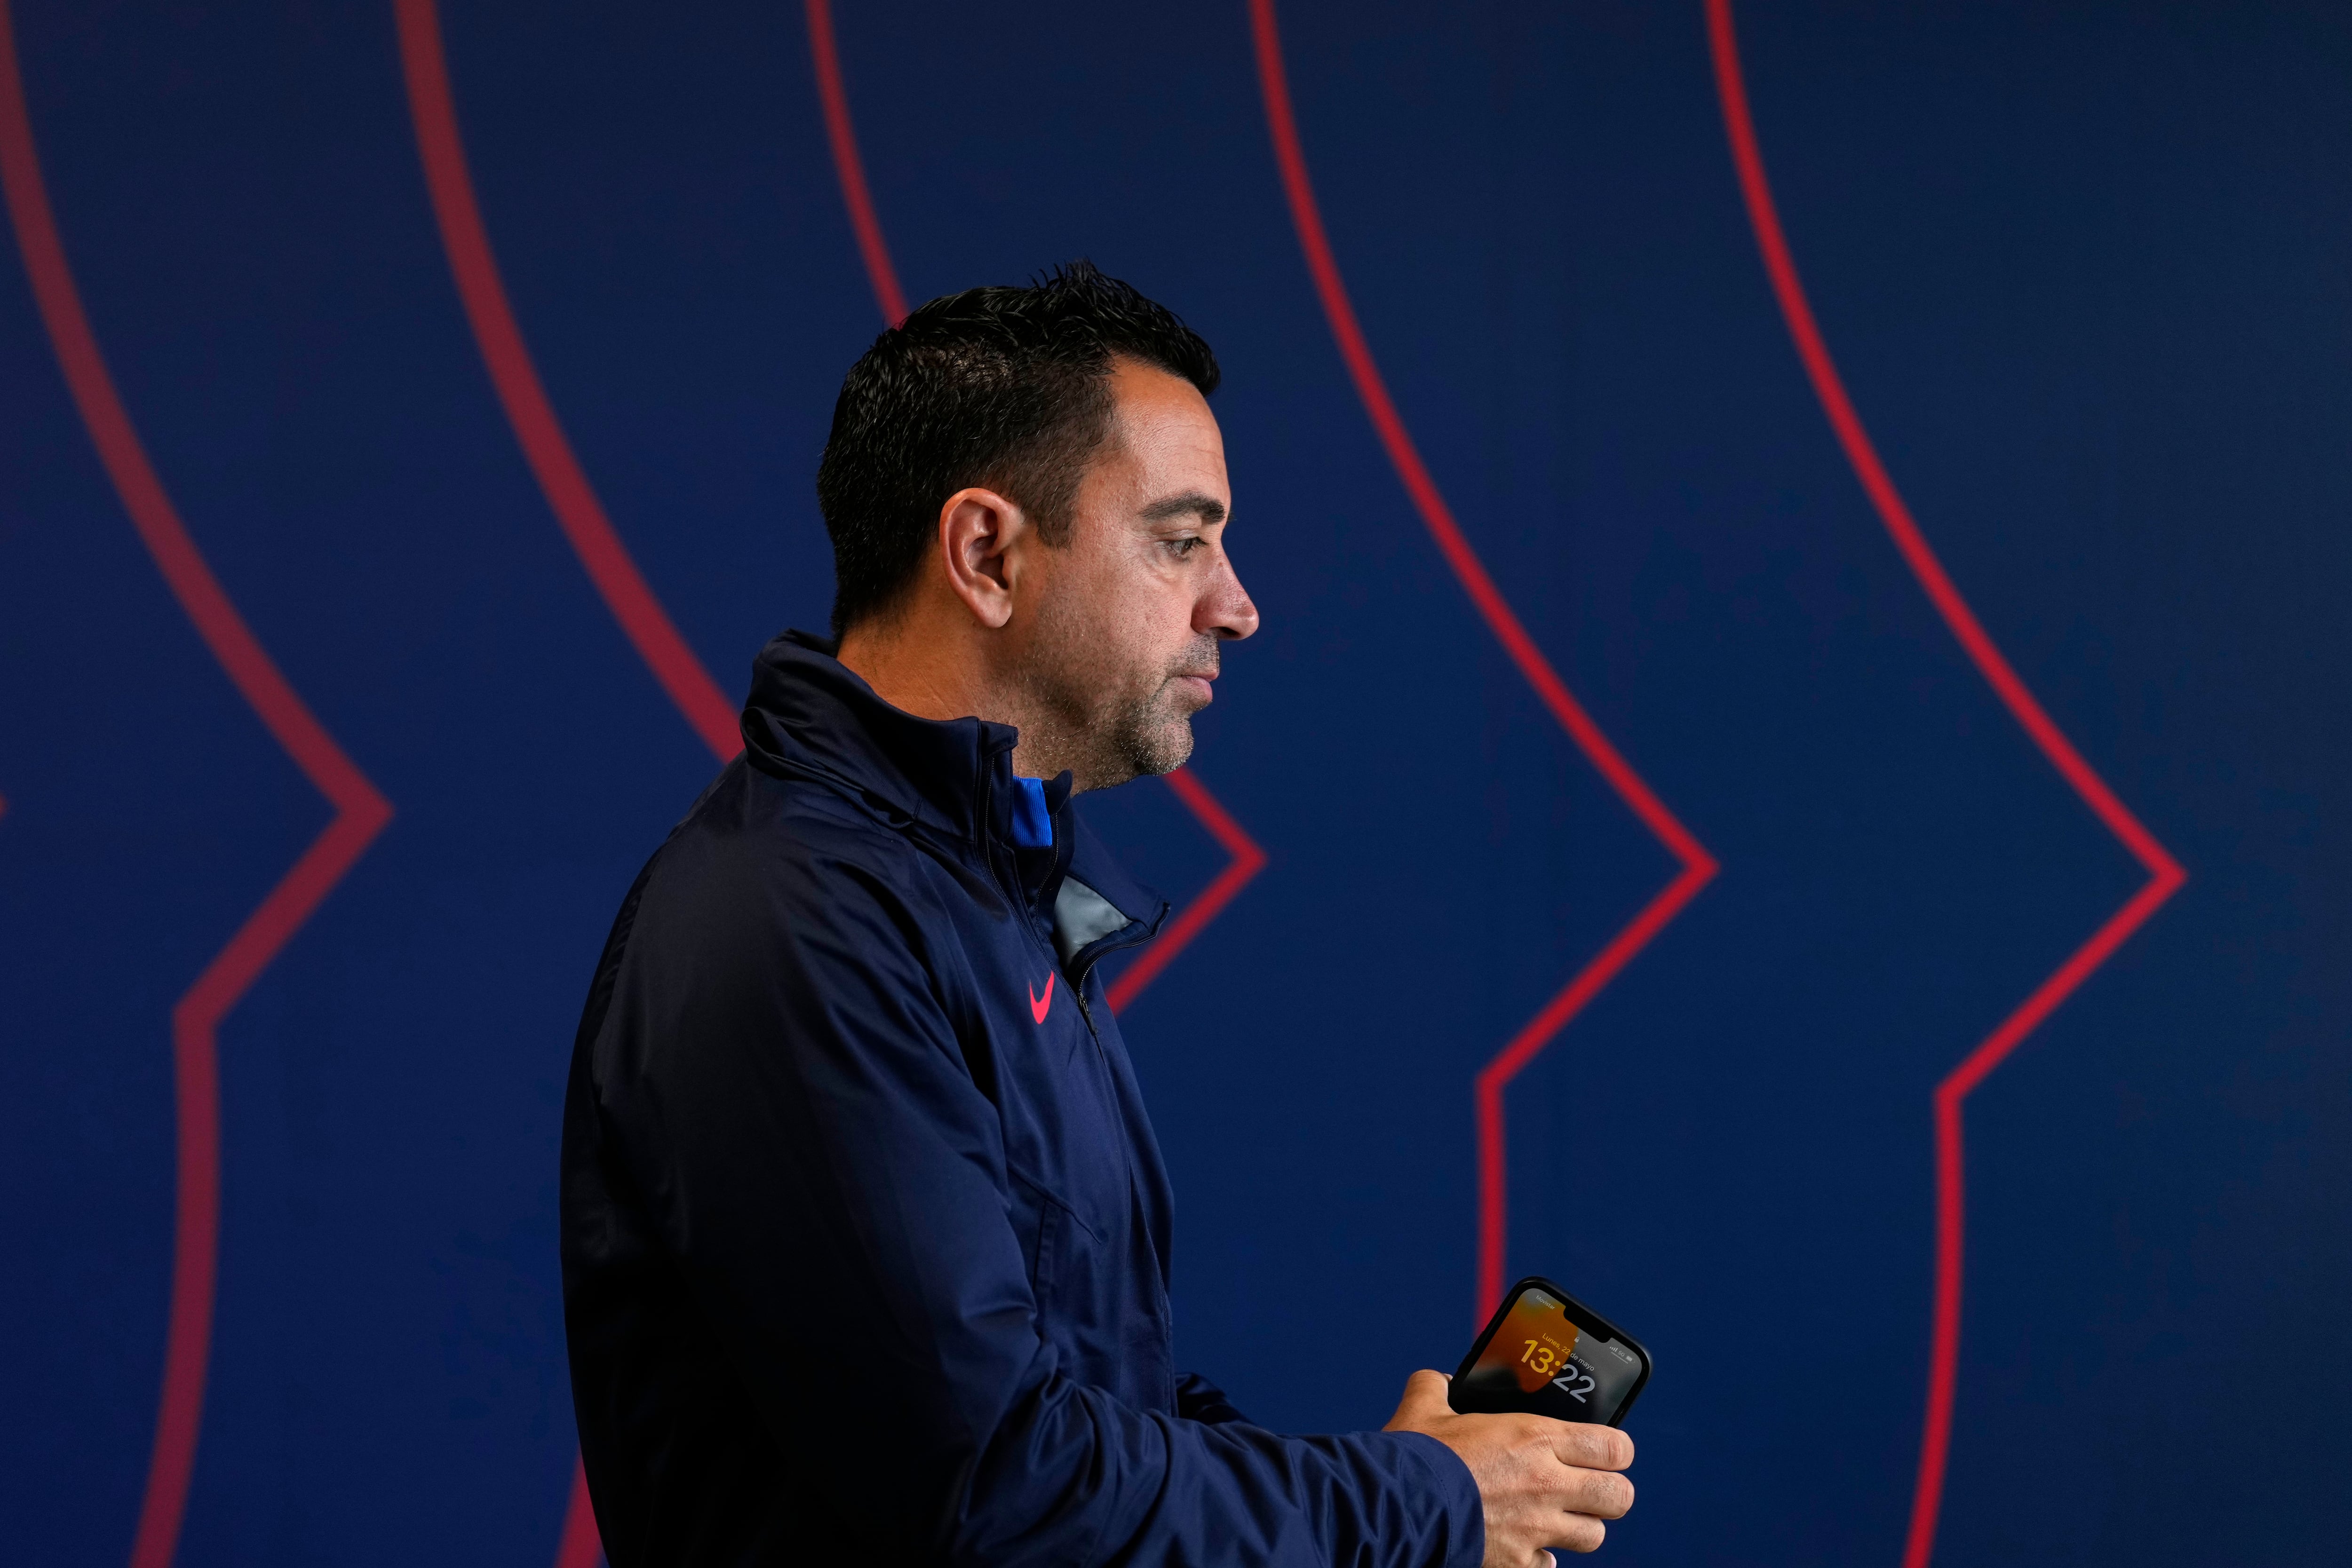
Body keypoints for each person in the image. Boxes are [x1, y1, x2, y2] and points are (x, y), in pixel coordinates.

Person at [559, 262, 1634, 1567]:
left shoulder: (979, 896)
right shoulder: (799, 925)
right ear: (986, 554)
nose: (1236, 604)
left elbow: (1083, 1418)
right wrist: (1418, 1509)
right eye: (1182, 541)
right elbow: (999, 1492)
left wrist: (1416, 1480)